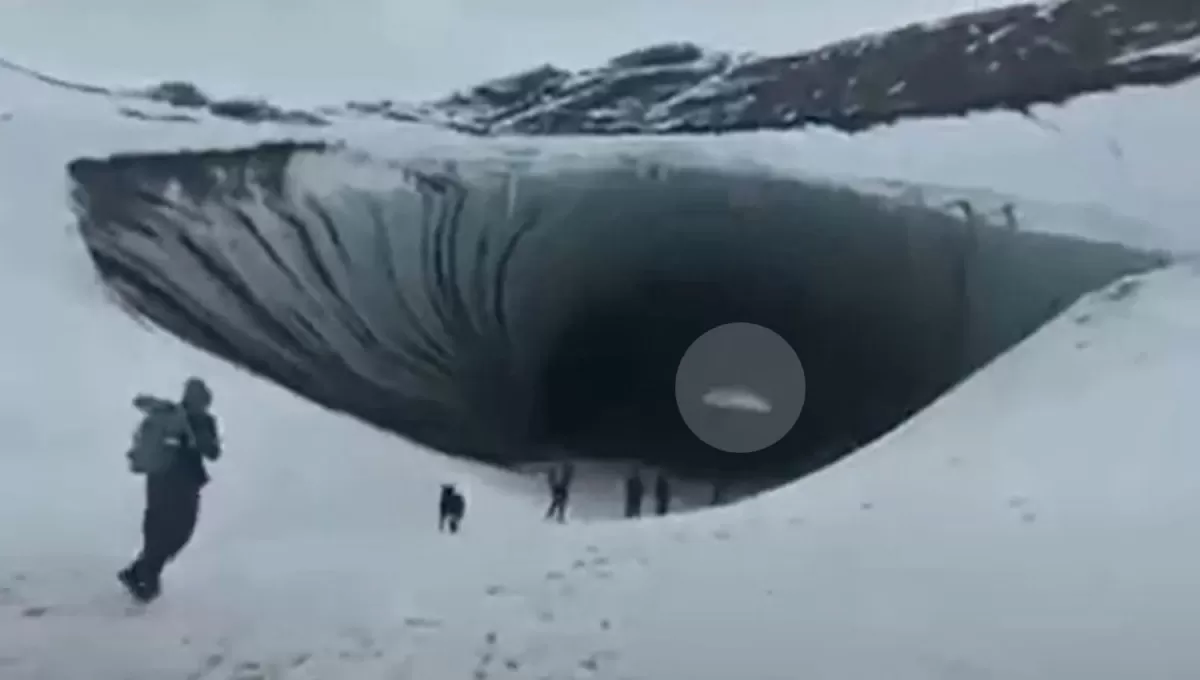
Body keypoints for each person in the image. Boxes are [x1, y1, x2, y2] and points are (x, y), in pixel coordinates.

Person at [118, 377, 221, 603]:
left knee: (161, 530)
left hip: (160, 480)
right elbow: (212, 452)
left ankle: (141, 574)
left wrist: (197, 436)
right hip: (177, 482)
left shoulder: (183, 417)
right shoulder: (175, 417)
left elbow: (213, 452)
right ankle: (144, 578)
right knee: (175, 531)